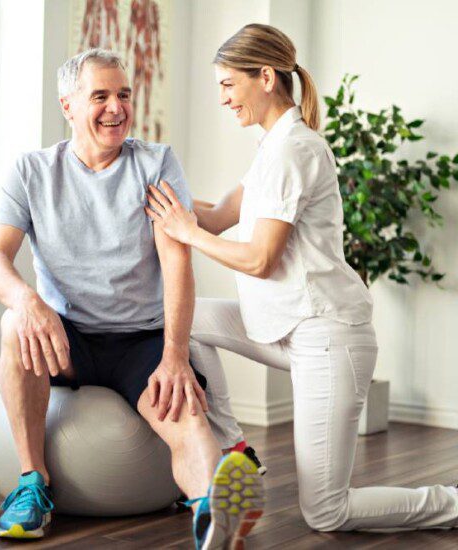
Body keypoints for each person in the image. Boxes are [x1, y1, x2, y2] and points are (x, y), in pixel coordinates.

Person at [145, 23, 458, 532]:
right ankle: (236, 449)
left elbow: (260, 259)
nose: (223, 98)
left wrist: (186, 232)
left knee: (326, 512)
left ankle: (450, 503)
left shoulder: (297, 149)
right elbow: (222, 214)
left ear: (265, 76)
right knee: (187, 321)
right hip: (286, 327)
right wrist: (153, 195)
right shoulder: (272, 147)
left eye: (228, 84)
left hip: (328, 338)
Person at [0, 48, 263, 548]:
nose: (116, 107)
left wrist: (174, 356)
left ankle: (212, 515)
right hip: (68, 337)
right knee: (13, 324)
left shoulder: (155, 163)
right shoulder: (32, 172)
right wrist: (26, 300)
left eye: (124, 95)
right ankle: (31, 485)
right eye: (100, 96)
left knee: (188, 416)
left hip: (140, 341)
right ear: (68, 106)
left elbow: (178, 265)